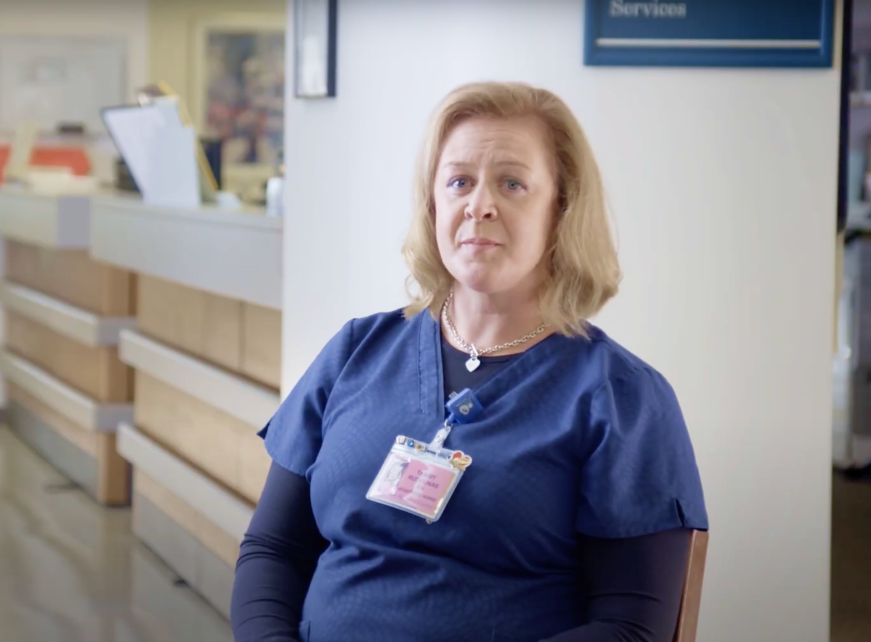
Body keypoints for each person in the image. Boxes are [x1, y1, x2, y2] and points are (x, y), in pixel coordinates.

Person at [230, 81, 708, 642]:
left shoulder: (620, 397)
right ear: (434, 204)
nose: (480, 205)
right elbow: (274, 548)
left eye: (512, 183)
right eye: (459, 181)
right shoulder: (356, 352)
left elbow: (630, 628)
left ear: (563, 208)